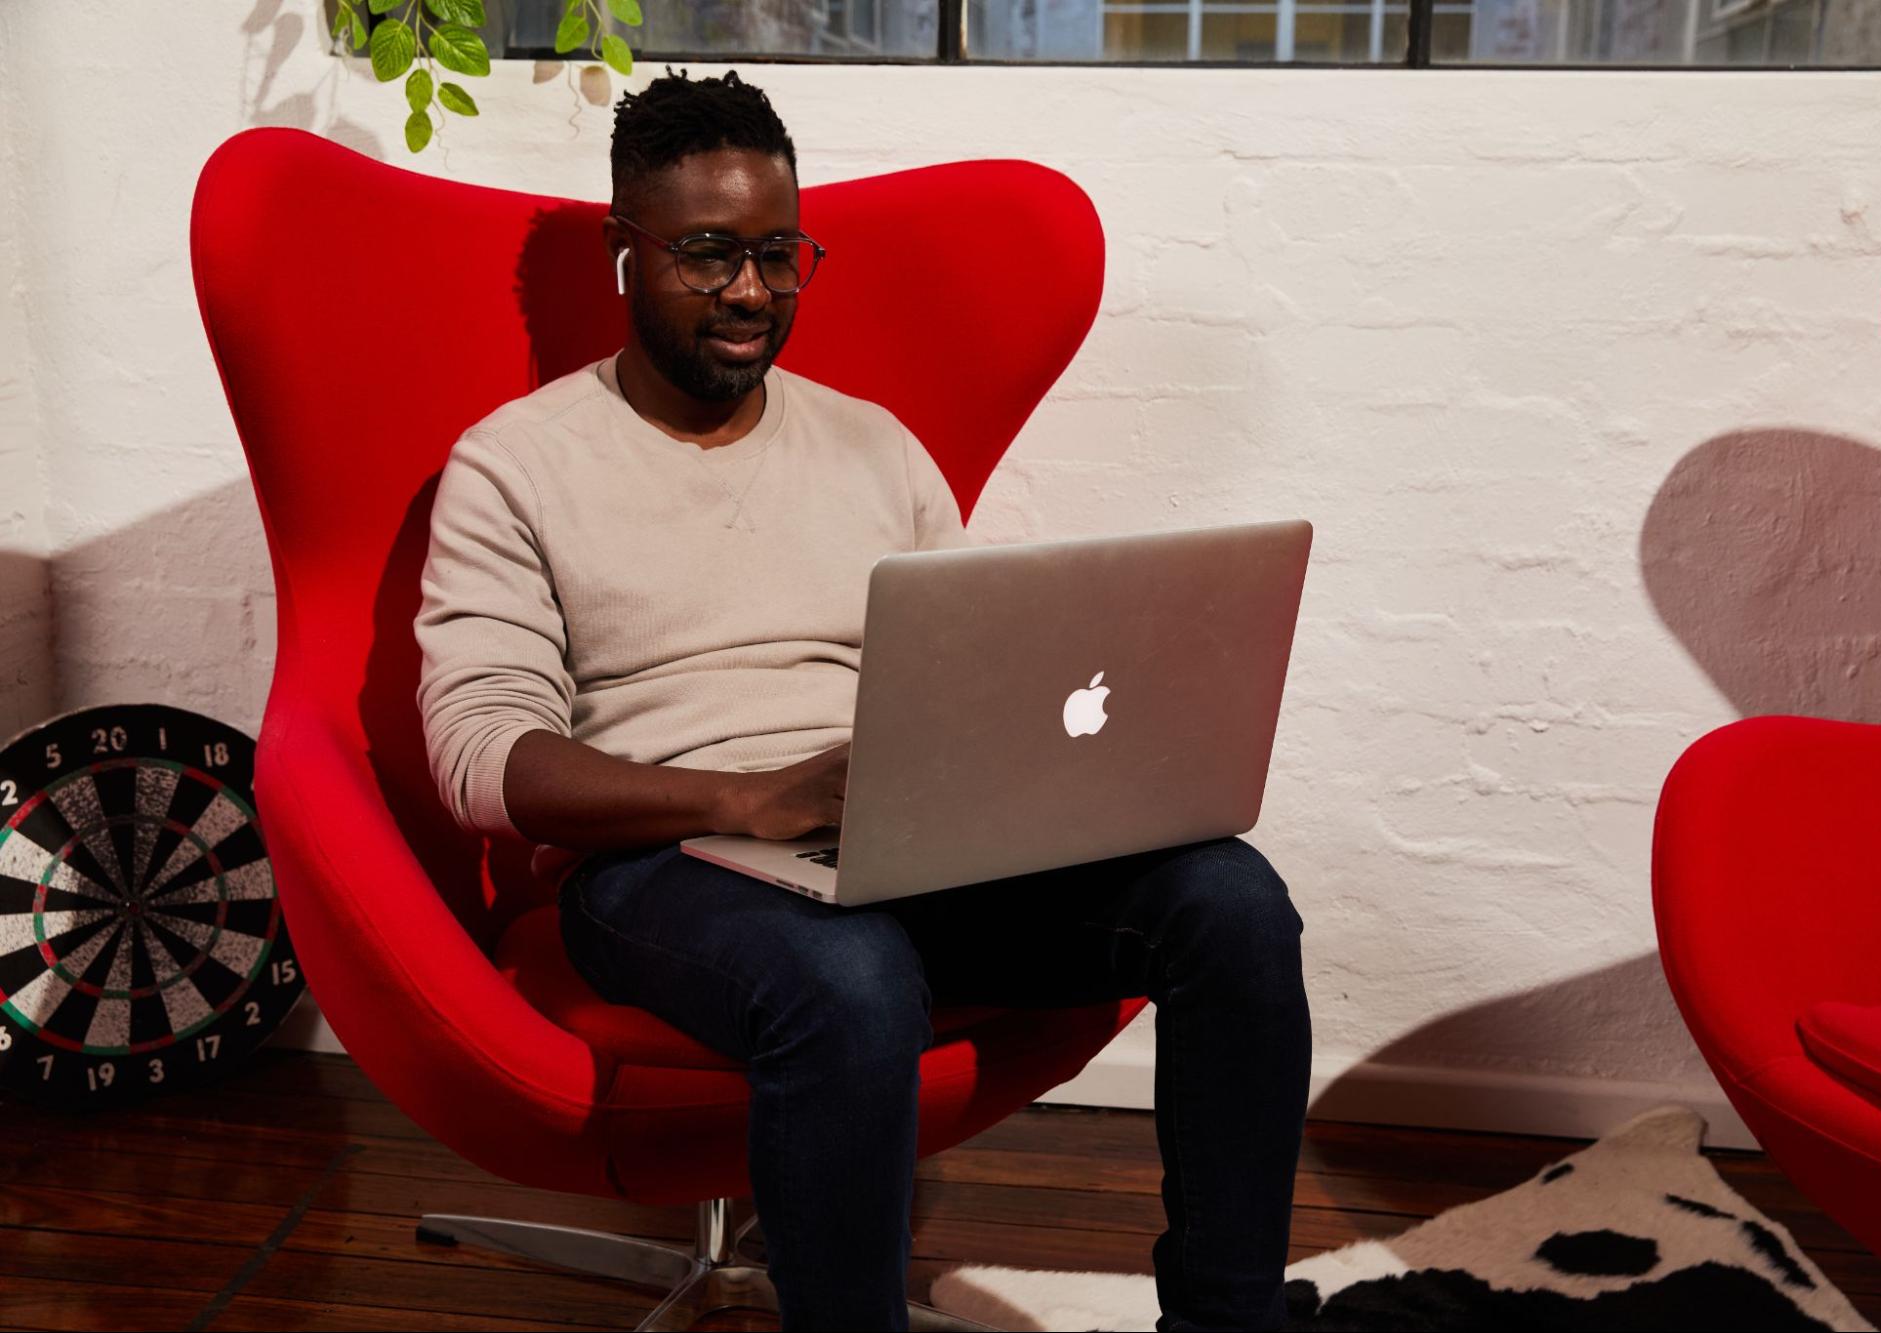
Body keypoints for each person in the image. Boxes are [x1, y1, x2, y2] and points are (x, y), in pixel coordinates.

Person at [415, 69, 1311, 1333]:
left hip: (886, 837)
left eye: (779, 255)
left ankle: (1228, 1320)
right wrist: (747, 797)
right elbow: (481, 757)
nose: (749, 292)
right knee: (850, 978)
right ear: (627, 254)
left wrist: (1024, 782)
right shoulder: (515, 464)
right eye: (709, 254)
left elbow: (975, 671)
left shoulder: (874, 445)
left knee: (1228, 902)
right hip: (656, 862)